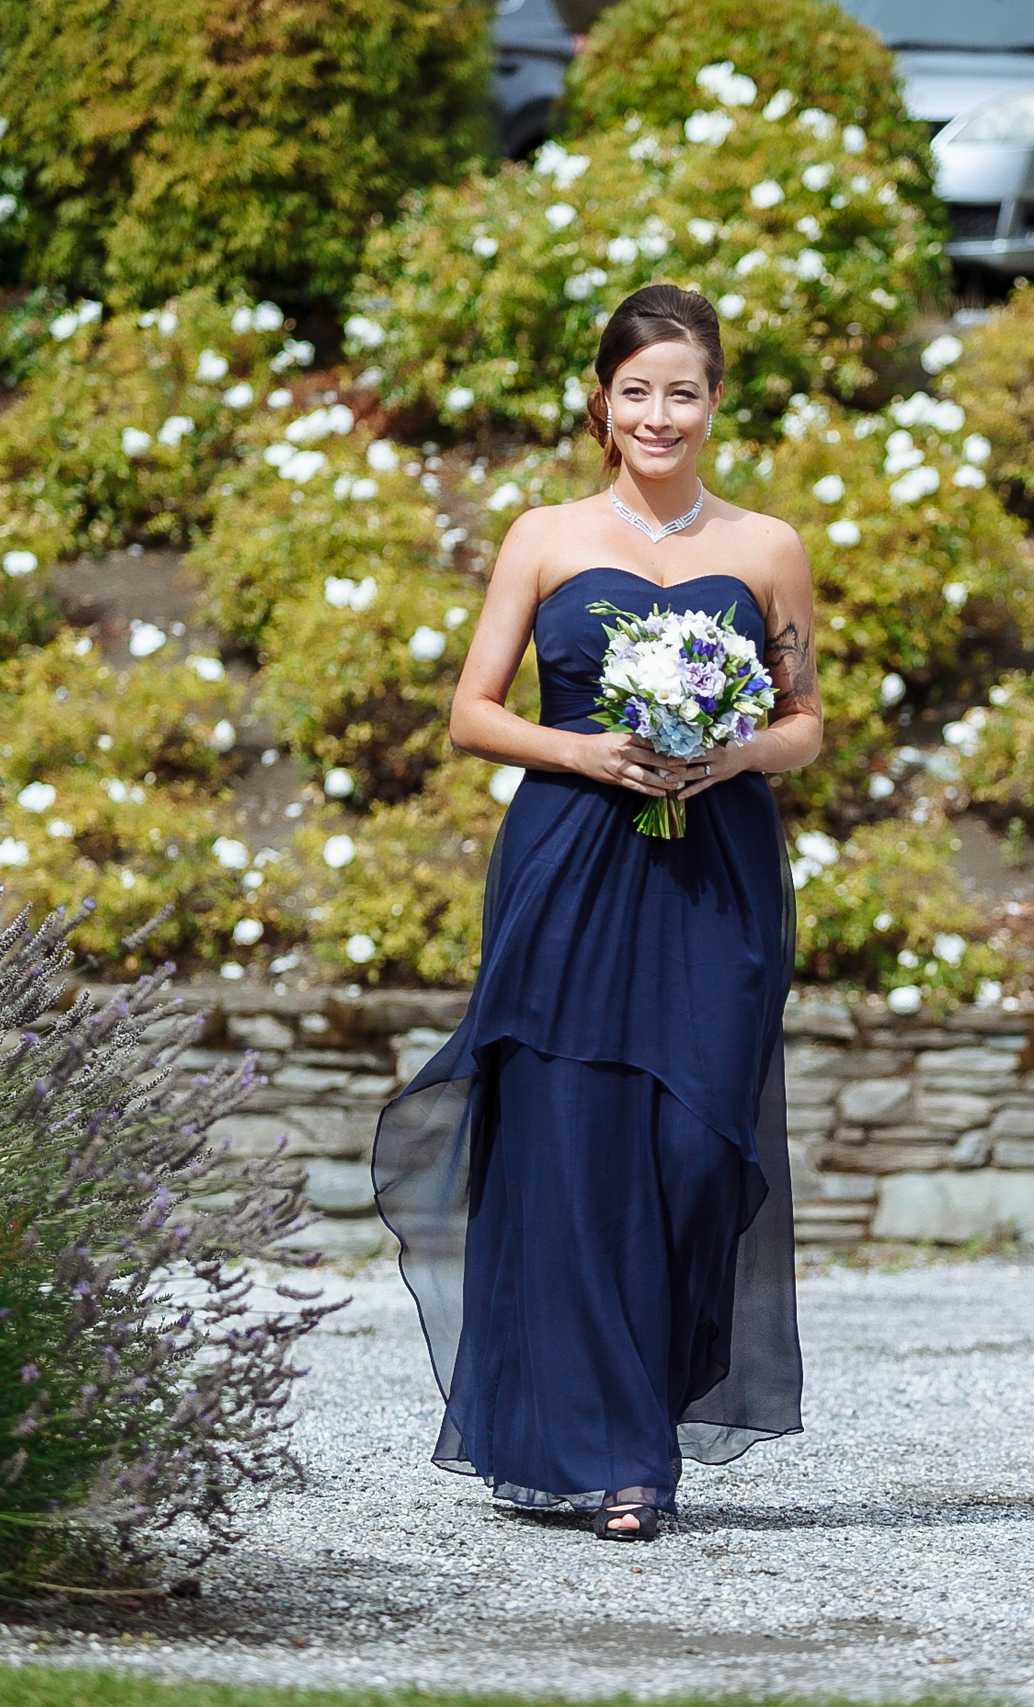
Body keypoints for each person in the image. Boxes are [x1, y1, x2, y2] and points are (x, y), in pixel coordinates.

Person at [372, 284, 820, 1542]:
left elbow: (803, 726)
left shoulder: (767, 546)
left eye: (684, 391)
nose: (660, 414)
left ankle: (637, 1406)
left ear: (716, 402)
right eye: (638, 392)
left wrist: (724, 756)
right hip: (570, 860)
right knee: (572, 1150)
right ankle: (622, 1458)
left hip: (714, 872)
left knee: (689, 1155)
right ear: (602, 403)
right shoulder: (544, 536)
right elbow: (471, 714)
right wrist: (592, 753)